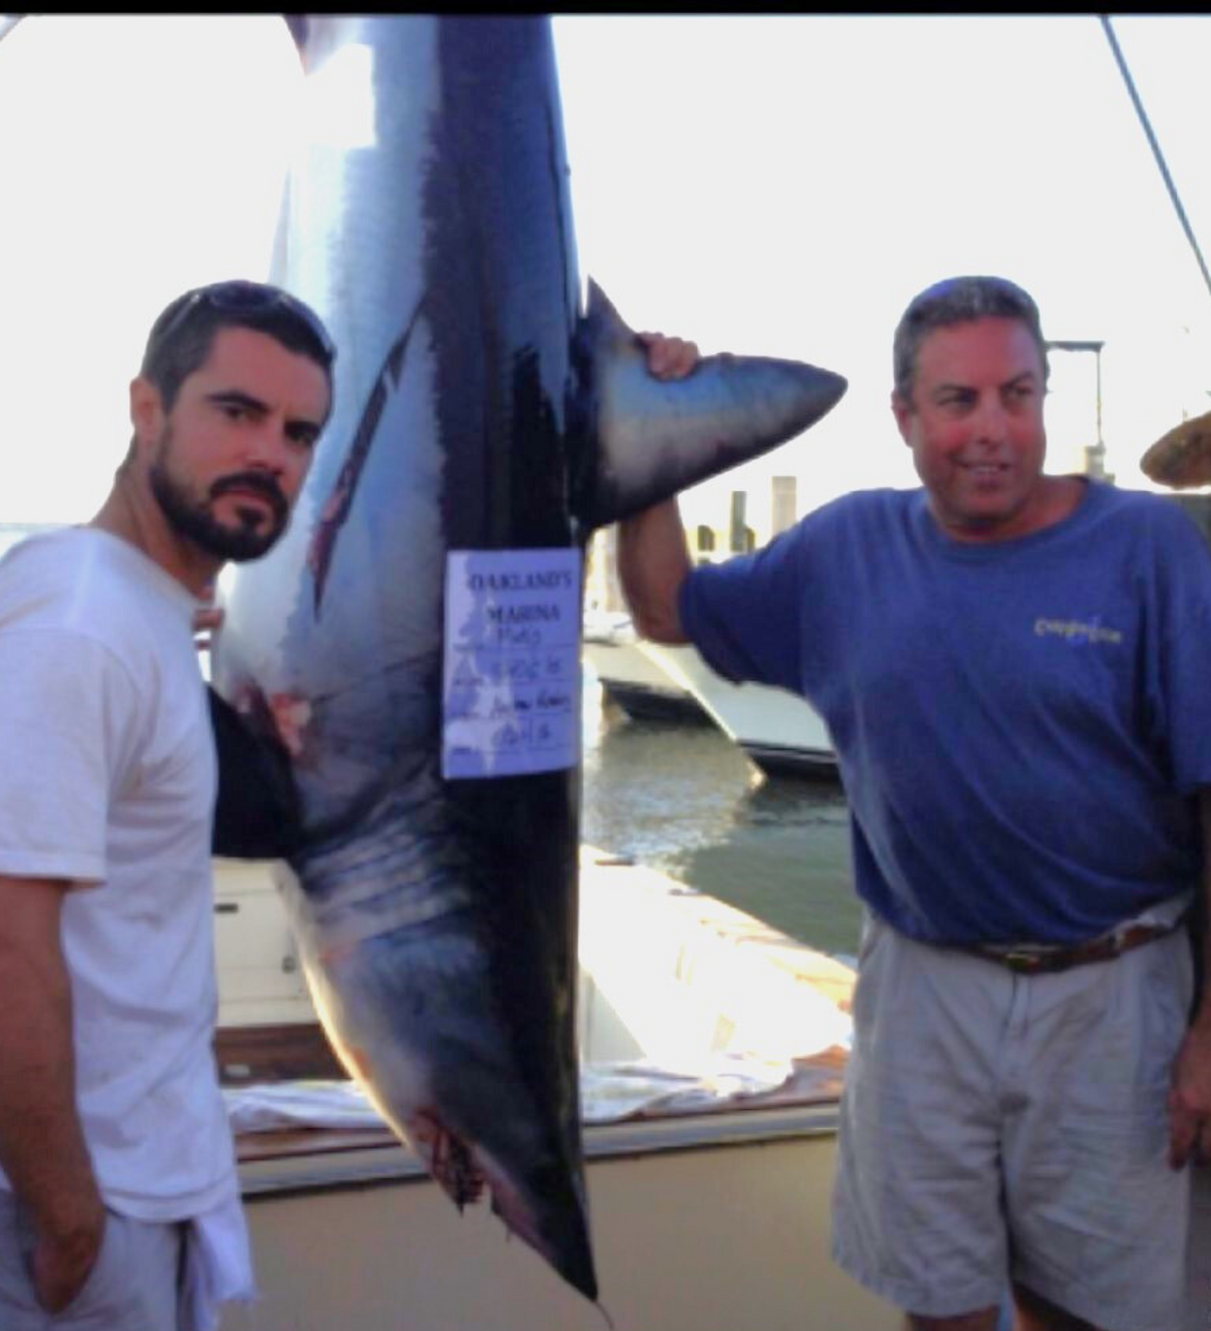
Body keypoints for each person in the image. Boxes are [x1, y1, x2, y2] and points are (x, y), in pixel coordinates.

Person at [618, 276, 1211, 1331]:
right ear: (903, 416)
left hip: (1113, 993)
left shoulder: (1146, 551)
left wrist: (1209, 1032)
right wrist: (648, 446)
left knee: (1085, 1309)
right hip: (922, 988)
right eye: (957, 400)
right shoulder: (841, 550)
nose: (991, 429)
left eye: (1016, 394)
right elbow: (664, 608)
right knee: (935, 1305)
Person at [0, 279, 335, 1329]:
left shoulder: (125, 606)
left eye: (297, 430)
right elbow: (8, 942)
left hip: (141, 1182)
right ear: (147, 408)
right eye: (235, 411)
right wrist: (68, 1222)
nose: (270, 453)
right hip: (85, 1210)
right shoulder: (82, 629)